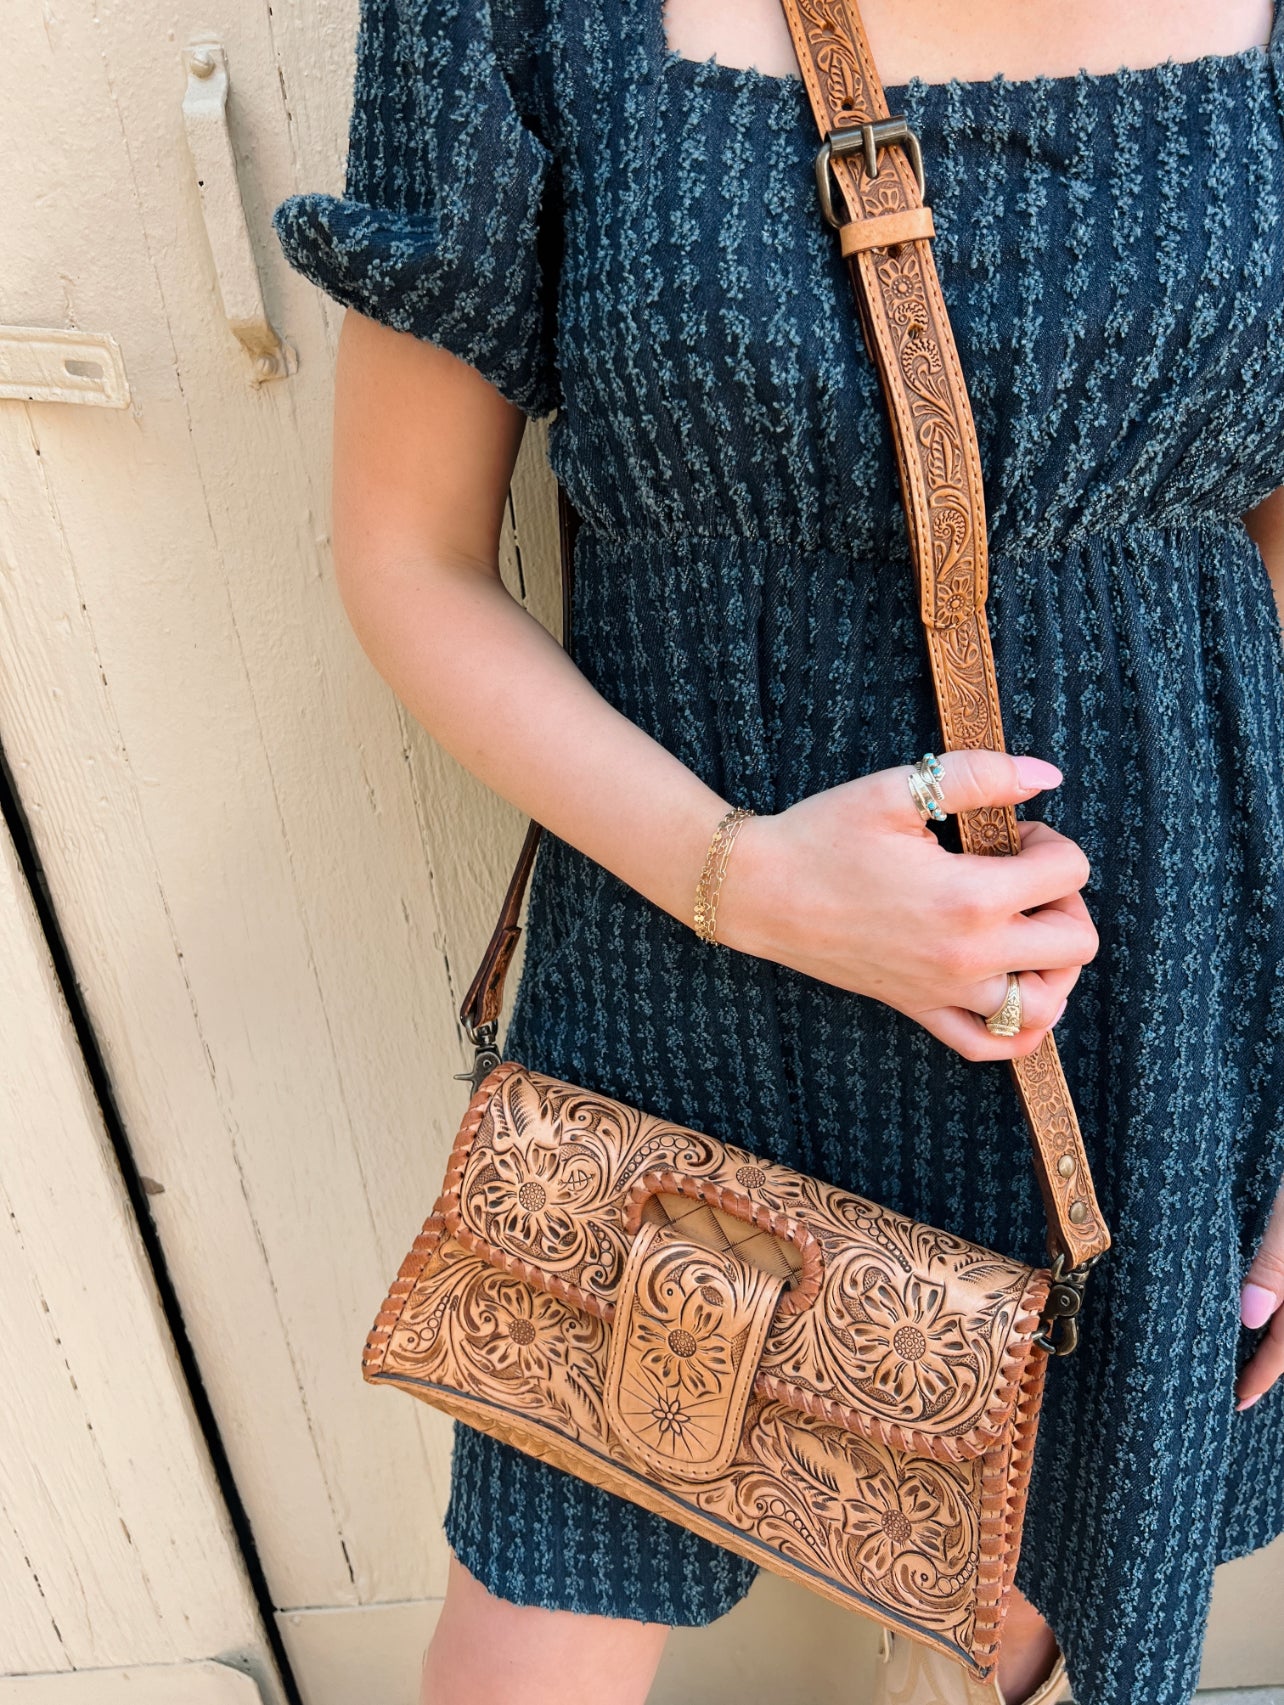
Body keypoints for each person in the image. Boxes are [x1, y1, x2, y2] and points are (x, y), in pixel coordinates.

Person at [271, 0, 1284, 1699]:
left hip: (1146, 1007)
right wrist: (747, 876)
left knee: (1051, 1627)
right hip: (685, 986)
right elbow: (407, 550)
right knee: (529, 1640)